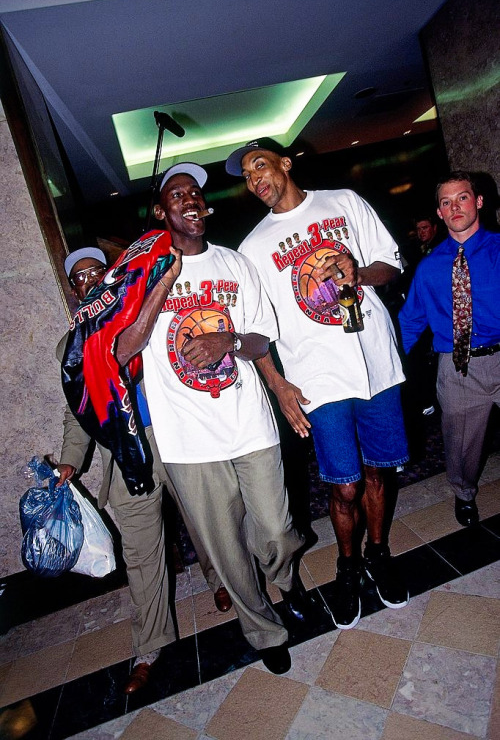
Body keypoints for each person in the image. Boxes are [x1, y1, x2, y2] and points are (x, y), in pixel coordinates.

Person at [128, 163, 307, 674]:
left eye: (194, 193)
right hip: (188, 439)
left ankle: (287, 579)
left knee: (273, 529)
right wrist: (159, 287)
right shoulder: (142, 275)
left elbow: (259, 338)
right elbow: (123, 349)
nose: (189, 199)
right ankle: (263, 629)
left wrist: (225, 340)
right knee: (227, 551)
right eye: (176, 195)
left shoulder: (234, 264)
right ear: (162, 212)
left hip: (248, 421)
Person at [225, 138, 410, 629]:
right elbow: (255, 331)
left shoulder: (343, 203)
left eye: (259, 165)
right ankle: (347, 566)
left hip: (377, 364)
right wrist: (279, 386)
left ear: (286, 163)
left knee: (379, 472)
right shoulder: (254, 248)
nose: (254, 179)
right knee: (344, 485)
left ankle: (379, 553)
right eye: (245, 175)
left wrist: (358, 271)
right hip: (317, 379)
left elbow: (390, 265)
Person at [57, 247, 231, 694]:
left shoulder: (145, 311)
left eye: (97, 271)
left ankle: (223, 580)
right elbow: (79, 411)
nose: (90, 280)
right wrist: (69, 461)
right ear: (73, 290)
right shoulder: (71, 345)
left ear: (112, 274)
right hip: (125, 460)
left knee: (204, 519)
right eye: (80, 277)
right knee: (141, 553)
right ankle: (150, 646)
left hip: (176, 439)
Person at [399, 171, 500, 527]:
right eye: (446, 202)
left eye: (462, 197)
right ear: (439, 213)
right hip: (458, 368)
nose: (455, 206)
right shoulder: (428, 268)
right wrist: (396, 370)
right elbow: (410, 321)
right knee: (461, 447)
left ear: (479, 201)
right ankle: (464, 494)